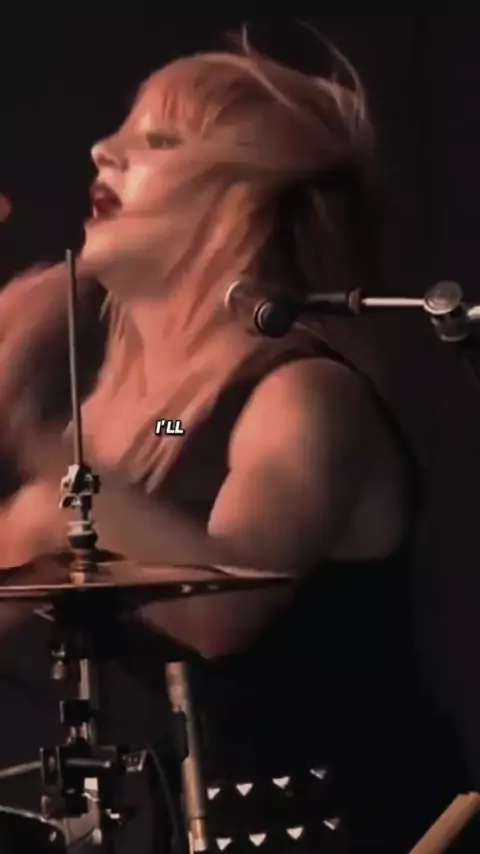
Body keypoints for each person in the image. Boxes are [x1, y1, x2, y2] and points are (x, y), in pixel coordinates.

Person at [0, 44, 463, 852]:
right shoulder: (144, 421)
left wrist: (42, 484)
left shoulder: (301, 396)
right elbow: (128, 472)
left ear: (245, 198)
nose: (103, 150)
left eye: (159, 141)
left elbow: (226, 607)